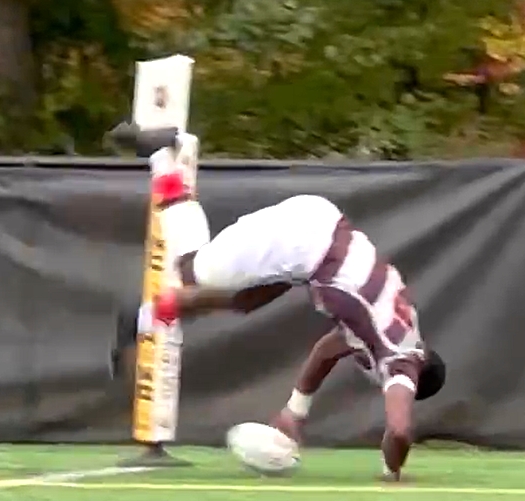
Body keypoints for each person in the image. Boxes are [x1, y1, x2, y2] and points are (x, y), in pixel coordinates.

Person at [124, 191, 445, 481]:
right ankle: (172, 189)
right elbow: (400, 431)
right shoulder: (401, 361)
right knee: (191, 271)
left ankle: (166, 307)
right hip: (305, 243)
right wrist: (393, 471)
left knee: (247, 301)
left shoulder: (394, 329)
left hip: (315, 241)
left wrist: (295, 412)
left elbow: (327, 351)